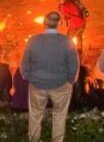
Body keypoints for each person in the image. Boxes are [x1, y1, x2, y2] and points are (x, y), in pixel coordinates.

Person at [21, 11, 79, 142]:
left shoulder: (33, 41)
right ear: (60, 24)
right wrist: (70, 80)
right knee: (59, 115)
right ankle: (57, 140)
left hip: (37, 84)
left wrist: (28, 76)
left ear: (44, 23)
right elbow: (74, 64)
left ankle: (33, 138)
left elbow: (24, 63)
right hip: (60, 85)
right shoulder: (67, 41)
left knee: (35, 115)